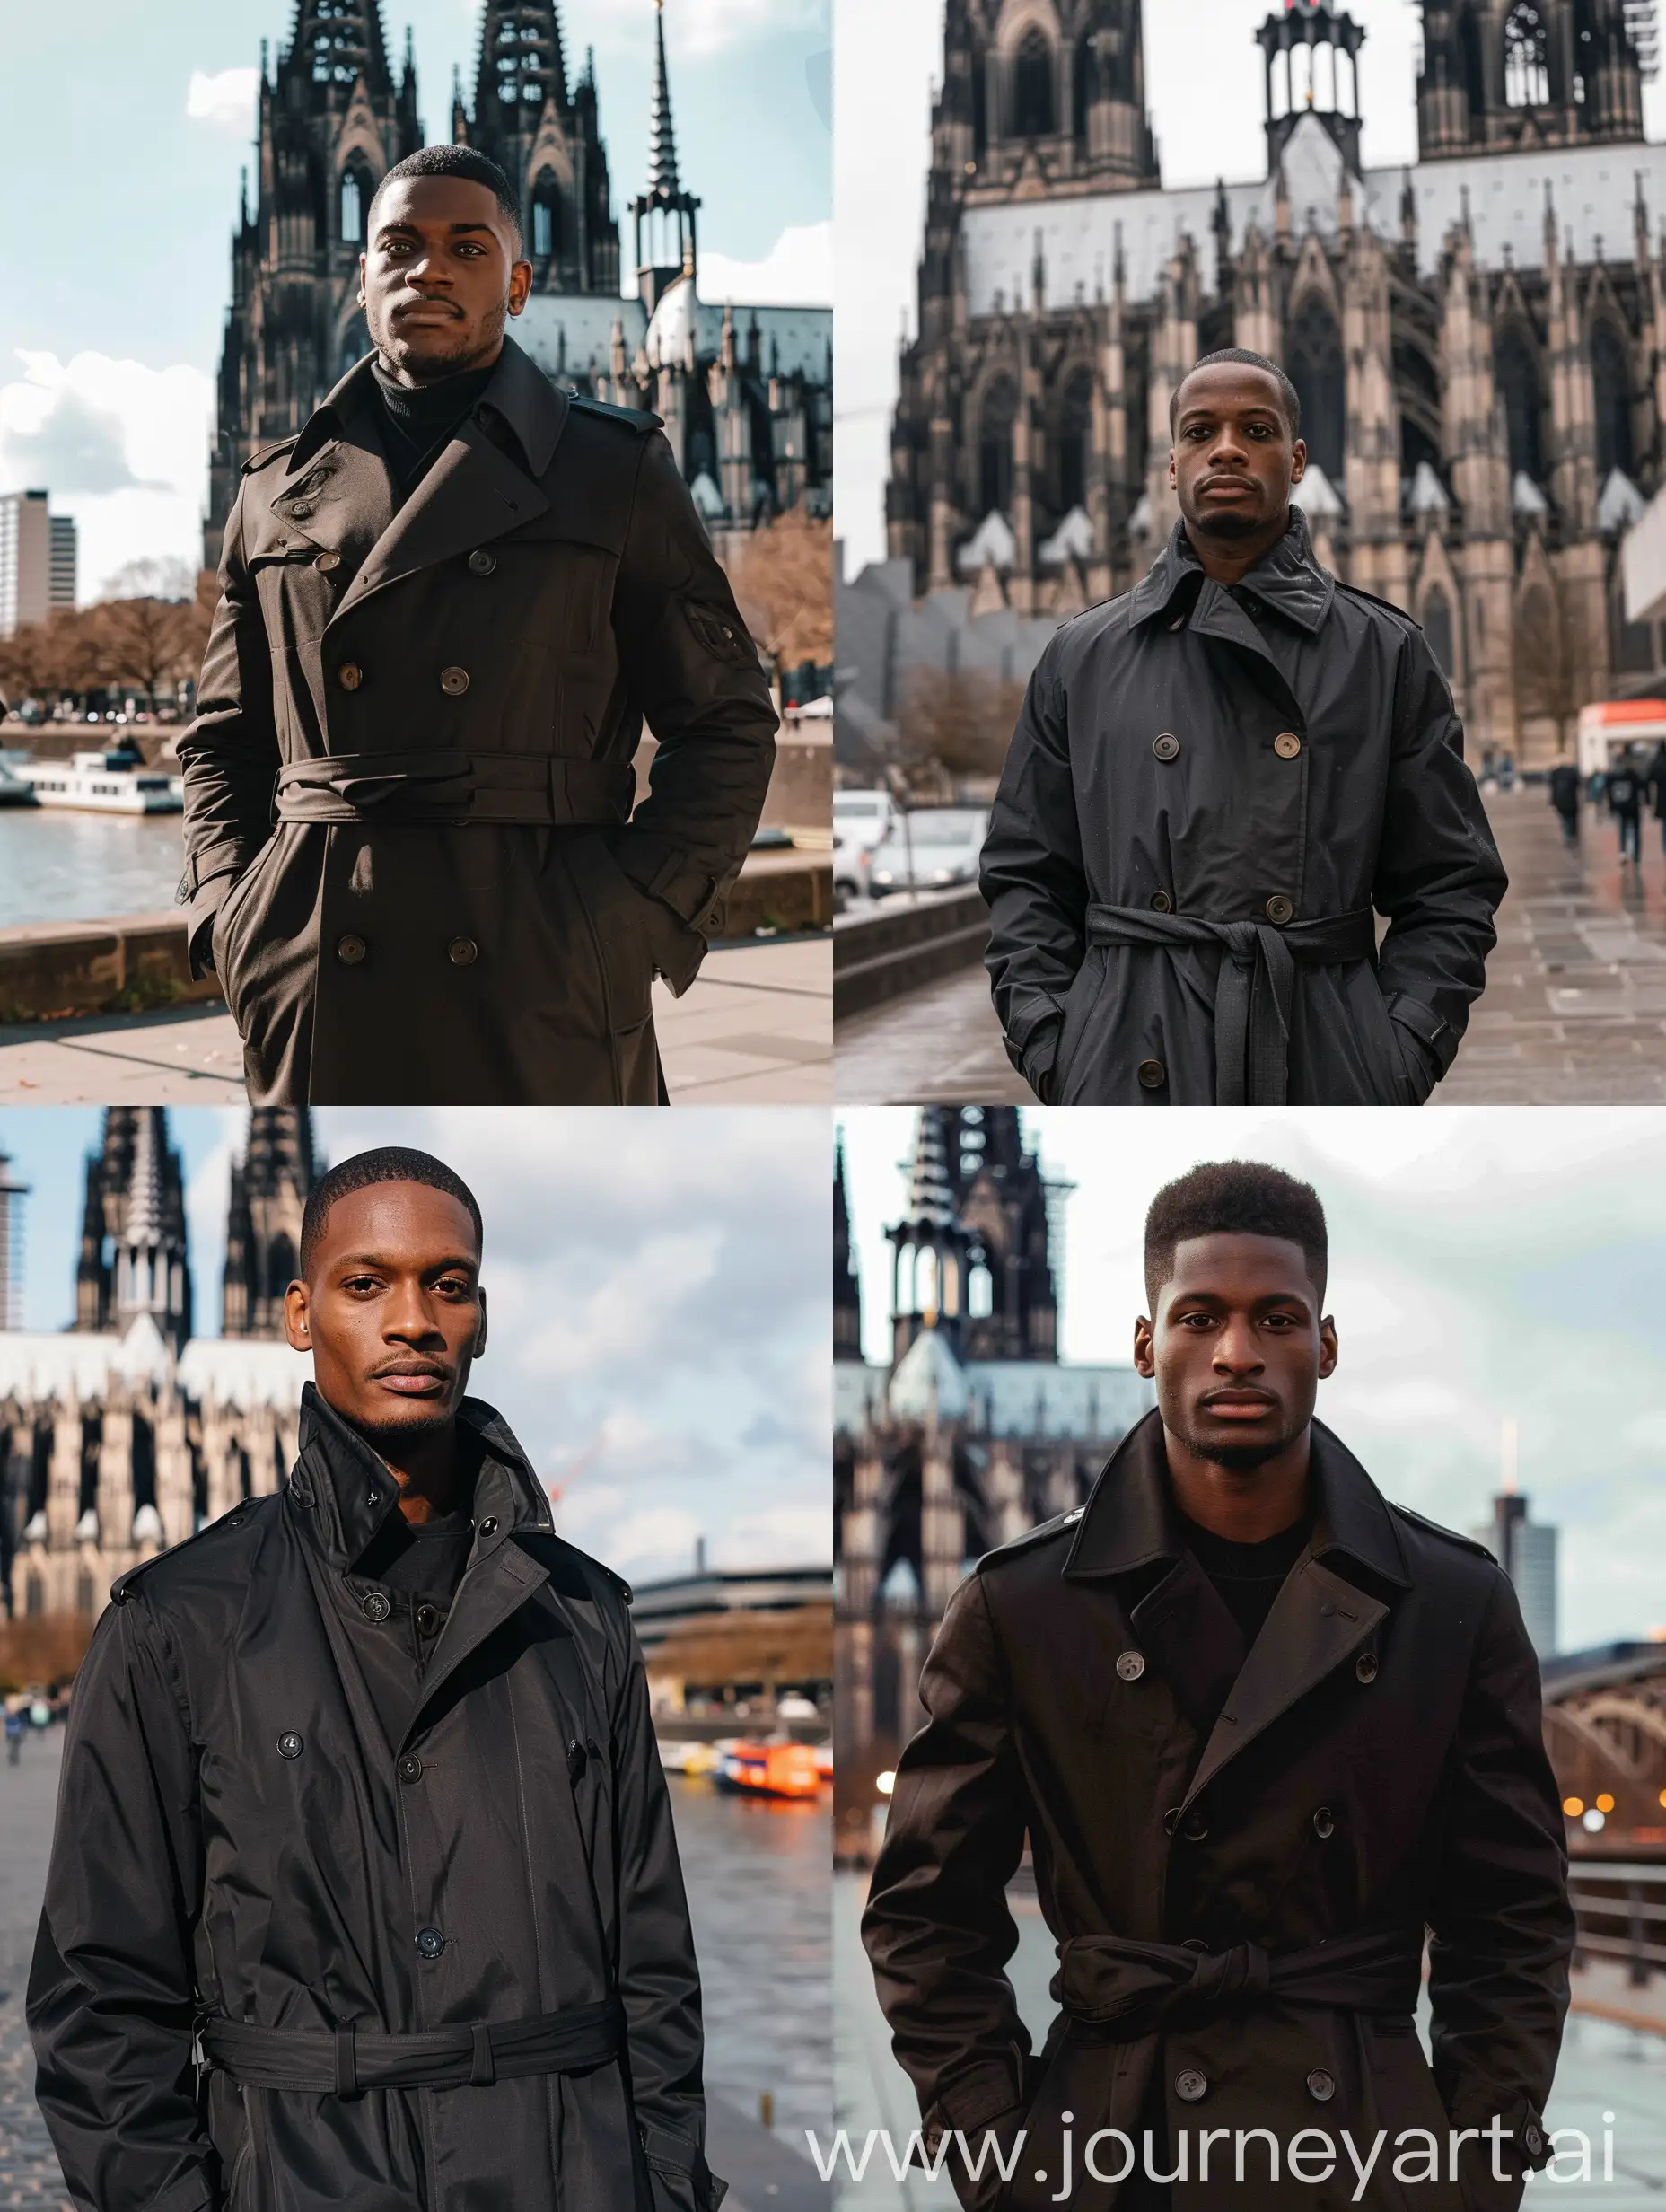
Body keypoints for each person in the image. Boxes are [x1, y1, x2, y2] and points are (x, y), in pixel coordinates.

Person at [863, 1160, 1573, 2212]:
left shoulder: (1450, 1601)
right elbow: (924, 1914)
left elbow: (1512, 1916)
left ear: (1324, 1345)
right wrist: (998, 2155)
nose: (1236, 1351)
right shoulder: (1020, 1606)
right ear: (1145, 1343)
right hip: (1114, 2151)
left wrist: (1471, 2169)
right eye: (1198, 1317)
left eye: (1275, 1318)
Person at [30, 1147, 721, 2212]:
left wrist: (664, 2187)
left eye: (446, 1284)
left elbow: (657, 1974)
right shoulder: (175, 1621)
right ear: (299, 1313)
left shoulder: (584, 1615)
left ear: (480, 1316)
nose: (412, 1319)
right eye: (367, 1284)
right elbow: (101, 2005)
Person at [178, 145, 777, 1106]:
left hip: (541, 969)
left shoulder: (611, 468)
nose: (429, 269)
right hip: (319, 972)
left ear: (521, 280)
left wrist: (628, 920)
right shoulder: (272, 489)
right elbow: (221, 741)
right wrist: (235, 916)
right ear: (361, 272)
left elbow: (727, 722)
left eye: (466, 245)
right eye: (400, 244)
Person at [979, 349, 1506, 1107]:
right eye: (1201, 431)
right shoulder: (1081, 655)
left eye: (1254, 429)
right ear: (1171, 465)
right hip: (1129, 1055)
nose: (1226, 447)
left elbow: (1452, 884)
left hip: (1322, 1052)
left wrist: (1399, 1050)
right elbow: (1025, 873)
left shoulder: (1384, 650)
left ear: (1295, 461)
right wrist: (1056, 1042)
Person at [1607, 747, 1644, 866]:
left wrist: (1612, 807)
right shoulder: (1632, 774)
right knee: (1636, 830)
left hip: (1620, 806)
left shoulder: (1612, 776)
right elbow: (1641, 785)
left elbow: (1609, 792)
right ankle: (1636, 854)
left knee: (1622, 828)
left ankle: (1623, 852)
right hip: (1633, 806)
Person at [1548, 758, 1580, 846]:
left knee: (1564, 818)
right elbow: (1578, 784)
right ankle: (1572, 835)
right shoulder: (1573, 772)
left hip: (1560, 801)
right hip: (1572, 800)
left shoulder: (1555, 773)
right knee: (1572, 818)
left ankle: (1567, 834)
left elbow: (1552, 787)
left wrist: (1552, 801)